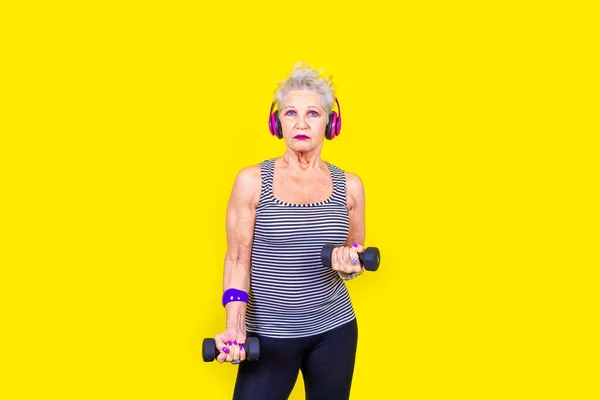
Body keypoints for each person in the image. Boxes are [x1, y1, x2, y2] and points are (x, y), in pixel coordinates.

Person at [213, 62, 367, 400]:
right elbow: (237, 259)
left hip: (334, 329)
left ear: (331, 122)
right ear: (276, 121)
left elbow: (355, 253)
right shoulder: (252, 181)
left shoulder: (350, 187)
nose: (300, 123)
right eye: (290, 113)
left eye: (313, 113)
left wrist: (350, 265)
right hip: (268, 336)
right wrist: (235, 325)